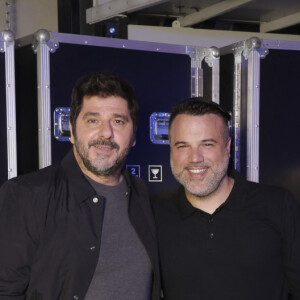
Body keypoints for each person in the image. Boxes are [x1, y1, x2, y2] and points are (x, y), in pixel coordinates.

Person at [0, 72, 161, 299]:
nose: (106, 132)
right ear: (72, 131)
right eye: (93, 120)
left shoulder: (143, 194)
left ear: (133, 135)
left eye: (118, 121)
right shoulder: (26, 195)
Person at [151, 97, 300, 300]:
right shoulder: (155, 214)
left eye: (207, 144)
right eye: (183, 146)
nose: (195, 158)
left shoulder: (277, 205)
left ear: (228, 147)